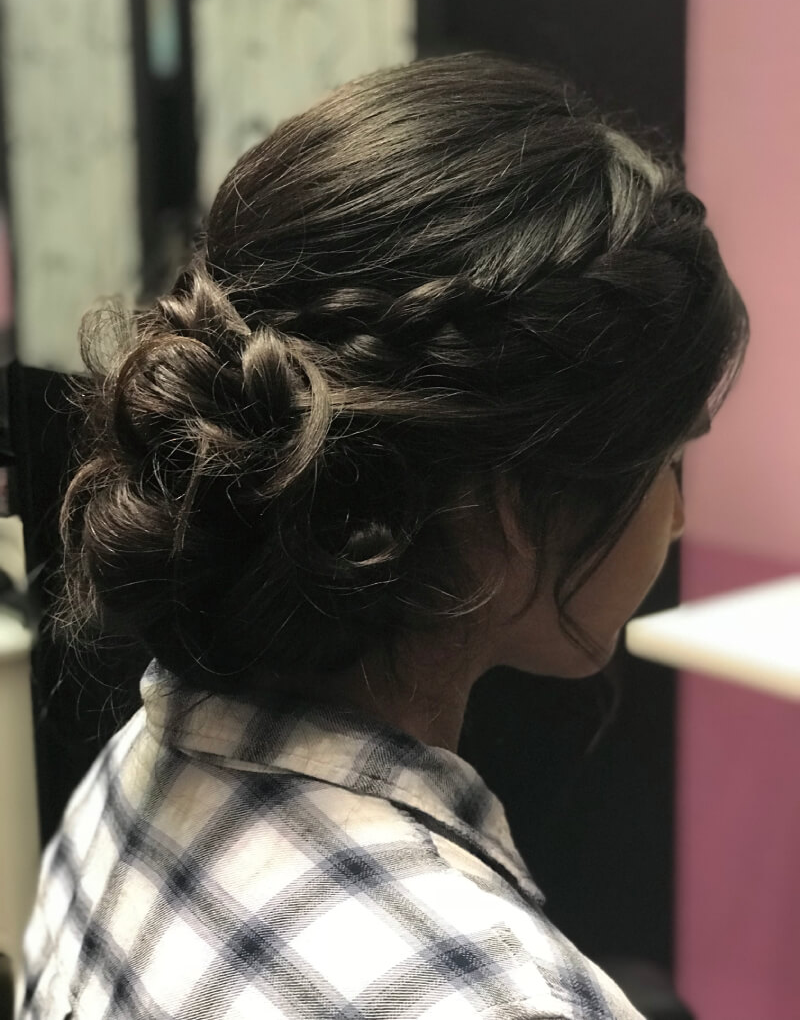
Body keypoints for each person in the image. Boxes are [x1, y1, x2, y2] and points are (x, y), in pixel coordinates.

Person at [20, 54, 747, 1020]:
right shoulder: (498, 997)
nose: (680, 512)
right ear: (510, 498)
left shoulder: (120, 781)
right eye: (669, 458)